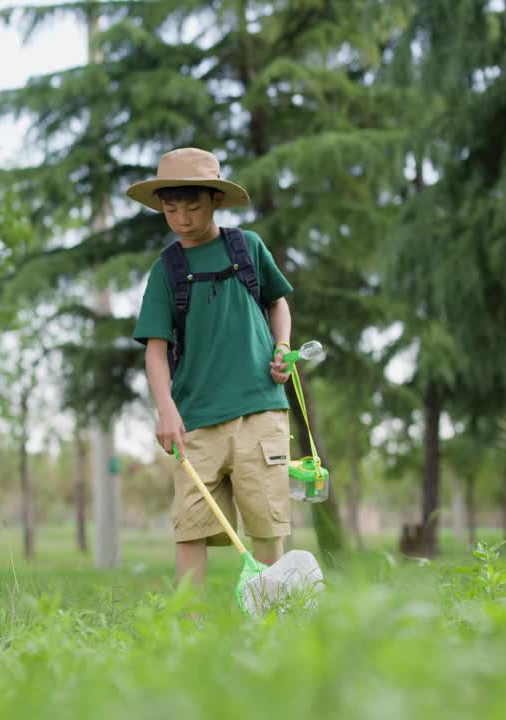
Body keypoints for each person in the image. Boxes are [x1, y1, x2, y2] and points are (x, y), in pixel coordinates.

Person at [128, 147, 295, 592]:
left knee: (267, 522)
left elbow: (277, 302)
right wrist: (166, 410)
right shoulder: (166, 270)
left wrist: (283, 346)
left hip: (259, 409)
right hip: (195, 419)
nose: (181, 218)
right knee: (191, 527)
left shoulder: (248, 248)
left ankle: (273, 615)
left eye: (193, 206)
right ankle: (191, 627)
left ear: (215, 200)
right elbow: (155, 350)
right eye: (171, 208)